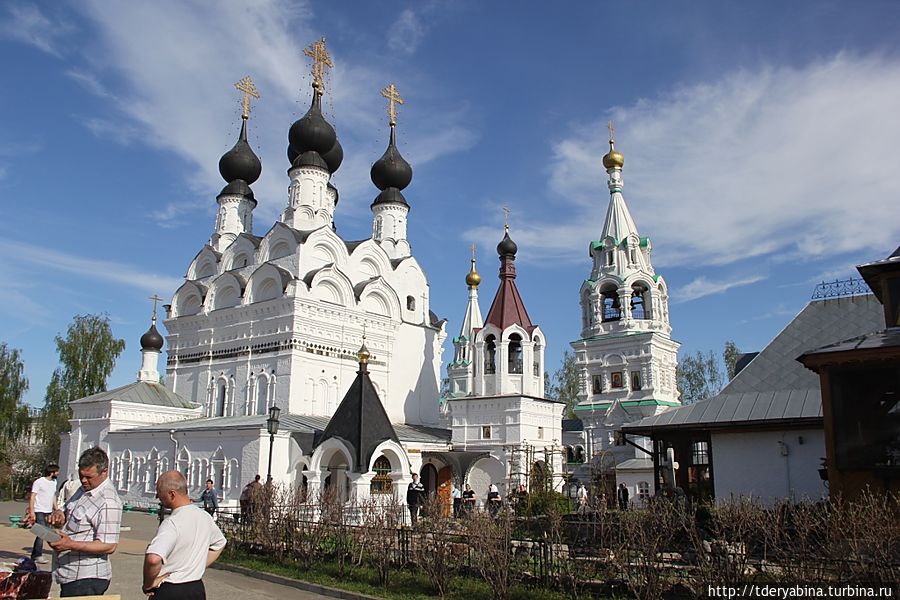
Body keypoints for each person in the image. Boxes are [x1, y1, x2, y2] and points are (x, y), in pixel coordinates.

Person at [47, 447, 123, 597]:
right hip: (70, 573)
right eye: (81, 475)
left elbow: (109, 545)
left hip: (87, 577)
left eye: (89, 477)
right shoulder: (83, 489)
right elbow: (69, 511)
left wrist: (70, 545)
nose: (83, 480)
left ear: (104, 472)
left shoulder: (108, 502)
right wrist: (59, 515)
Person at [143, 470, 227, 600]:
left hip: (170, 588)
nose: (158, 498)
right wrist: (197, 565)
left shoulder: (172, 523)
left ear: (172, 494)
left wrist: (148, 583)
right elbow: (220, 543)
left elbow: (153, 559)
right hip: (195, 588)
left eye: (160, 494)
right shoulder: (204, 517)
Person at [26, 464, 59, 564]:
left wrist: (56, 508)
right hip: (39, 510)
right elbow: (33, 496)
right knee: (42, 533)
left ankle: (34, 555)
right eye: (57, 471)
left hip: (48, 511)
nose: (58, 473)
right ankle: (38, 555)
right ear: (52, 472)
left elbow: (53, 495)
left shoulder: (54, 482)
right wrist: (32, 511)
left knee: (44, 532)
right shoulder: (39, 482)